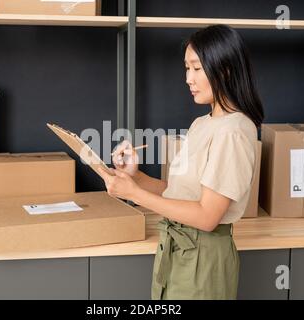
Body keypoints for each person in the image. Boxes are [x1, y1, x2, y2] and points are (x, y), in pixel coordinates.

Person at [98, 24, 264, 300]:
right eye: (187, 68)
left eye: (197, 68)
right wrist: (135, 177)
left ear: (224, 69)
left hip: (204, 259)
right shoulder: (202, 124)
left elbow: (207, 217)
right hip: (178, 250)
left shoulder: (234, 131)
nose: (188, 78)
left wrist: (134, 194)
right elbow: (179, 193)